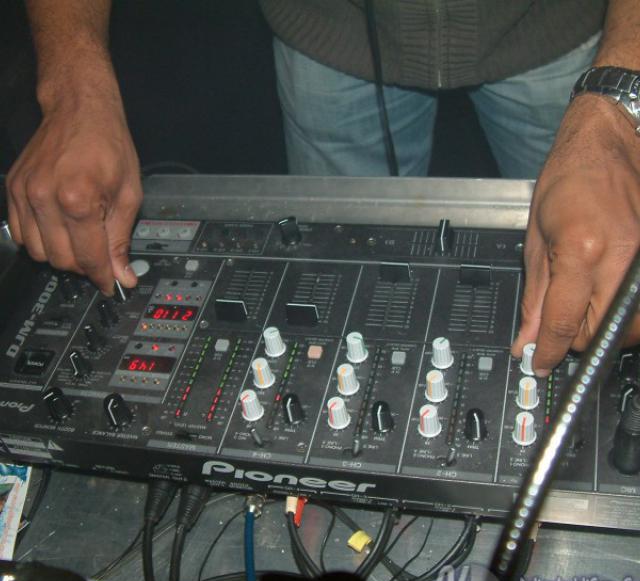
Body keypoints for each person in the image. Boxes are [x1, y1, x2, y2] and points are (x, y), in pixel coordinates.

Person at [6, 0, 640, 377]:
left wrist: (613, 110)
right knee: (336, 262)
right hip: (331, 34)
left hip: (559, 31)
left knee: (591, 261)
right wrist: (74, 90)